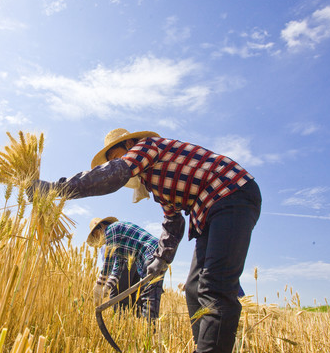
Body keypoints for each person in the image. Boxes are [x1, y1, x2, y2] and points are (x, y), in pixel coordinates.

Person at [28, 128, 262, 353]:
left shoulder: (147, 146)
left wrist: (54, 188)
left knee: (214, 286)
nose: (115, 162)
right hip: (207, 212)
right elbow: (173, 223)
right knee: (193, 289)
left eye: (115, 156)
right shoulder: (157, 184)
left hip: (231, 192)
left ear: (129, 144)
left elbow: (116, 173)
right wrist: (160, 260)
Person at [87, 216, 164, 321]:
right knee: (149, 294)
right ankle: (150, 328)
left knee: (150, 297)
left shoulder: (111, 230)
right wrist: (107, 287)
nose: (99, 240)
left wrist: (100, 284)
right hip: (155, 255)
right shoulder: (119, 246)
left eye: (96, 235)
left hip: (151, 254)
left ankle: (151, 331)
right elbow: (116, 271)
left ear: (101, 227)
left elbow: (108, 260)